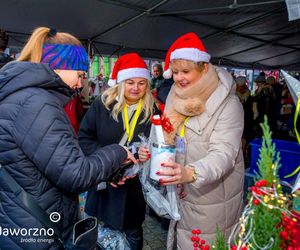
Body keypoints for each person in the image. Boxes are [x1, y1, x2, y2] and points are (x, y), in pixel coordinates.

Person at [0, 27, 136, 250]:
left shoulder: (25, 96)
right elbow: (76, 174)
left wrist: (105, 172)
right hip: (36, 229)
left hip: (25, 219)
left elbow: (52, 162)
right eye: (80, 74)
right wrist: (117, 152)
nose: (81, 83)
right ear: (58, 66)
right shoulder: (37, 102)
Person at [150, 32, 244, 248]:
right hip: (183, 195)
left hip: (212, 204)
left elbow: (224, 154)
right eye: (175, 72)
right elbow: (171, 138)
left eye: (186, 71)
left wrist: (191, 173)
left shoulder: (228, 105)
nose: (179, 77)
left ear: (204, 69)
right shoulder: (175, 97)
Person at [79, 53, 157, 250]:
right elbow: (85, 138)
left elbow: (159, 144)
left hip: (134, 186)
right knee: (99, 233)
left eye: (141, 83)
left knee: (133, 231)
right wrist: (107, 162)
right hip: (104, 182)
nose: (136, 88)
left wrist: (149, 154)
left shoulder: (152, 110)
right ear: (120, 83)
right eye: (130, 82)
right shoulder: (102, 105)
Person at [235, 76, 254, 161]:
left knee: (240, 137)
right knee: (245, 136)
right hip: (247, 118)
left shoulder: (234, 95)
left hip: (239, 118)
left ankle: (241, 154)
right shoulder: (248, 93)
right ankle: (243, 154)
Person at [253, 72, 276, 137]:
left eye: (258, 82)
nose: (256, 84)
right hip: (266, 114)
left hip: (265, 115)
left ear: (262, 83)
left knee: (263, 131)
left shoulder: (265, 90)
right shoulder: (265, 89)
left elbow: (264, 104)